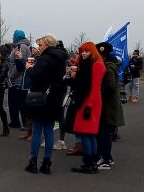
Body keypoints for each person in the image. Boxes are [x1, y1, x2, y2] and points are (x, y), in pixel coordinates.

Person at [23, 34, 68, 175]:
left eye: (41, 45)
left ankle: (33, 162)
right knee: (49, 131)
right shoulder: (62, 58)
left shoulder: (45, 58)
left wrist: (29, 68)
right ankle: (47, 163)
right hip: (54, 98)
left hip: (41, 99)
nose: (39, 47)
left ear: (47, 45)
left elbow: (36, 74)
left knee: (37, 130)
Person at [68, 42, 105, 174]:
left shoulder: (96, 65)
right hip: (86, 101)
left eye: (86, 51)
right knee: (89, 134)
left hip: (90, 102)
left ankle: (89, 164)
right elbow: (82, 84)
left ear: (92, 52)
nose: (83, 53)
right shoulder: (87, 64)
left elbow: (95, 88)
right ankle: (91, 163)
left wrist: (89, 106)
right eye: (82, 51)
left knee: (86, 134)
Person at [95, 42, 125, 170]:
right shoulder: (109, 65)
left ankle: (106, 159)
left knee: (104, 132)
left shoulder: (109, 67)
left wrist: (100, 94)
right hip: (108, 104)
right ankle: (107, 157)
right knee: (103, 132)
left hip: (107, 105)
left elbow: (110, 86)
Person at [7, 29, 31, 130]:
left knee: (20, 103)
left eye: (14, 35)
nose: (12, 37)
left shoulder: (22, 47)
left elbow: (20, 64)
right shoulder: (20, 46)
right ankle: (15, 121)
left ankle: (24, 123)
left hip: (18, 80)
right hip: (17, 79)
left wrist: (11, 76)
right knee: (15, 103)